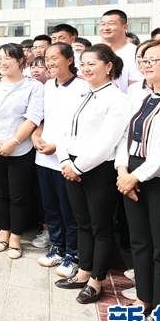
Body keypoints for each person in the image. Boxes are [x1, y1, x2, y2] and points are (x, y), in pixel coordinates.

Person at [114, 39, 160, 321]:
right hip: (130, 172)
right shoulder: (140, 95)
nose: (146, 65)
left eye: (154, 60)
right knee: (139, 241)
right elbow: (124, 136)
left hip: (159, 180)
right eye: (143, 60)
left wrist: (136, 177)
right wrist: (122, 171)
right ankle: (144, 297)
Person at [55, 45, 130, 304]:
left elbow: (107, 141)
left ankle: (97, 281)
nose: (85, 68)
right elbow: (63, 130)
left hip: (99, 170)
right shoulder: (80, 92)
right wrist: (65, 160)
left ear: (108, 66)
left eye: (92, 64)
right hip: (71, 166)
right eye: (83, 63)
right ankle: (83, 271)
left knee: (101, 227)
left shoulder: (118, 99)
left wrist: (77, 167)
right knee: (82, 223)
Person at [0, 44, 44, 260]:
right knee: (1, 193)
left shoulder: (33, 87)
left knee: (19, 196)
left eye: (8, 58)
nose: (2, 62)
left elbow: (33, 118)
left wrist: (13, 142)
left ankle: (16, 237)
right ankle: (4, 232)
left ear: (21, 61)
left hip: (21, 149)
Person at [31, 43, 82, 278]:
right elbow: (42, 118)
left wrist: (58, 146)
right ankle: (58, 248)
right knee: (51, 207)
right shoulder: (47, 86)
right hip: (43, 158)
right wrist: (36, 135)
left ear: (70, 60)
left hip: (66, 159)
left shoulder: (82, 87)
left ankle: (74, 254)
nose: (50, 63)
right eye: (47, 59)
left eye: (55, 58)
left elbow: (80, 126)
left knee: (69, 209)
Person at [99, 9, 143, 92]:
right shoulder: (93, 52)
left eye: (111, 24)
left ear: (125, 27)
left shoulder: (136, 53)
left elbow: (136, 87)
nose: (106, 28)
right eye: (103, 24)